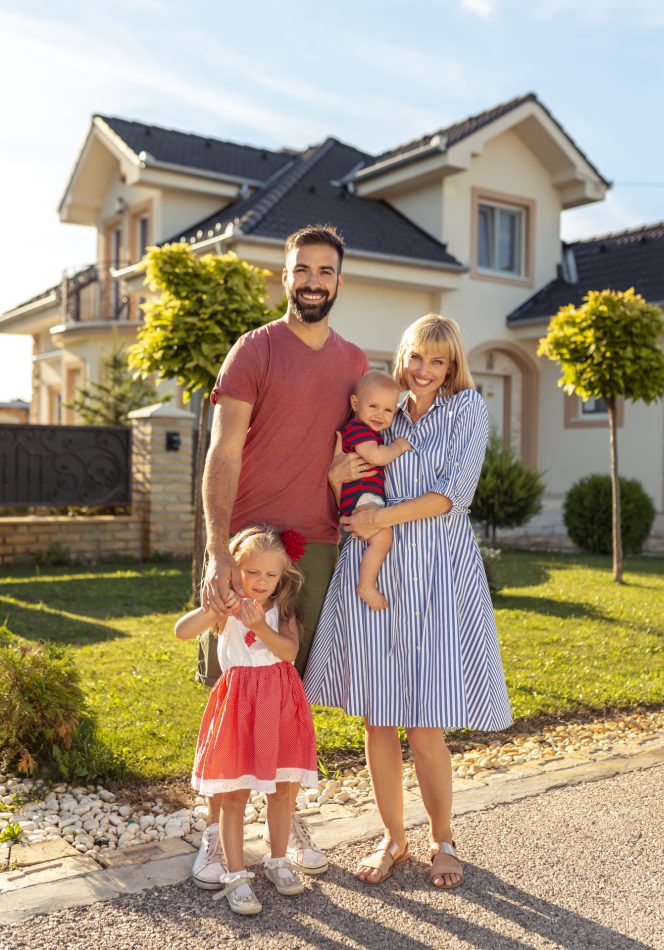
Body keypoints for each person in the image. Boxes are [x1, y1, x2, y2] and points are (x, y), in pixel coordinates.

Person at [304, 314, 512, 890]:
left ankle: (442, 839)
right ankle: (393, 837)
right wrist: (334, 474)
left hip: (438, 574)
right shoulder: (379, 404)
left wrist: (379, 516)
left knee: (424, 723)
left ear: (452, 367)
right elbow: (347, 476)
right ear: (403, 355)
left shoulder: (467, 408)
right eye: (416, 356)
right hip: (373, 570)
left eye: (437, 361)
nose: (423, 371)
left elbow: (454, 494)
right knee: (380, 718)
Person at [194, 224, 369, 888]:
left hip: (317, 547)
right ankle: (216, 835)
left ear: (339, 281)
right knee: (230, 689)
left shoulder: (354, 363)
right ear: (286, 275)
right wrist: (216, 551)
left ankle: (282, 820)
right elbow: (223, 451)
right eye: (303, 270)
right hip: (244, 544)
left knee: (289, 686)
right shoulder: (255, 350)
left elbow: (359, 450)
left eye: (325, 271)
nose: (313, 281)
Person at [176, 525, 318, 915]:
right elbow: (181, 632)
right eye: (252, 572)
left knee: (281, 790)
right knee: (234, 793)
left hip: (279, 702)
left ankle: (278, 861)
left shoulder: (283, 607)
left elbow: (288, 652)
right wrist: (214, 608)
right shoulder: (226, 608)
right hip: (239, 703)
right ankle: (236, 876)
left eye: (271, 575)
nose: (261, 582)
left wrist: (260, 627)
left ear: (283, 575)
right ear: (235, 570)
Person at [338, 371, 412, 610]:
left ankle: (366, 583)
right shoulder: (358, 429)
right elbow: (377, 457)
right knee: (383, 538)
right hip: (361, 497)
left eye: (388, 410)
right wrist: (398, 447)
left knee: (382, 539)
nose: (381, 415)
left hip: (364, 496)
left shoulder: (369, 431)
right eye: (374, 406)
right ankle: (366, 585)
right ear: (356, 404)